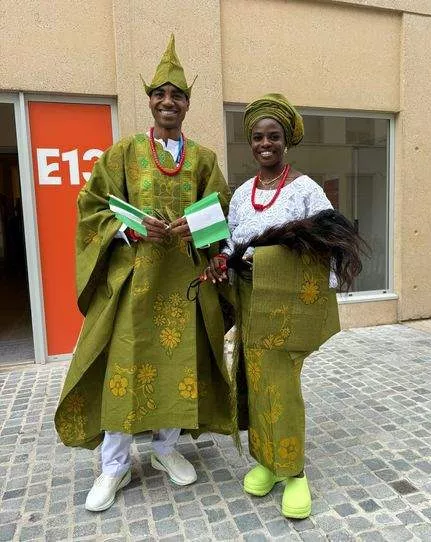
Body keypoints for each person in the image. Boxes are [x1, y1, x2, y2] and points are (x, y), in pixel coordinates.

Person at [54, 34, 233, 512]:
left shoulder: (204, 159)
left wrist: (195, 224)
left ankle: (165, 449)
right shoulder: (123, 153)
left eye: (177, 95)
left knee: (178, 369)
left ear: (188, 103)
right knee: (124, 369)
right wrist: (130, 232)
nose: (168, 102)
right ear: (150, 101)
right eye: (160, 94)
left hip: (183, 287)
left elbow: (220, 208)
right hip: (132, 287)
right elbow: (91, 208)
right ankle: (113, 466)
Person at [206, 93, 364, 519]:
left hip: (289, 305)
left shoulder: (306, 189)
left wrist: (321, 286)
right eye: (257, 137)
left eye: (273, 136)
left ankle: (294, 472)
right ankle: (267, 462)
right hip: (251, 301)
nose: (265, 144)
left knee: (284, 387)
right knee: (255, 381)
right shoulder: (241, 194)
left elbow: (333, 243)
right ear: (251, 142)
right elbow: (231, 241)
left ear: (285, 141)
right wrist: (223, 258)